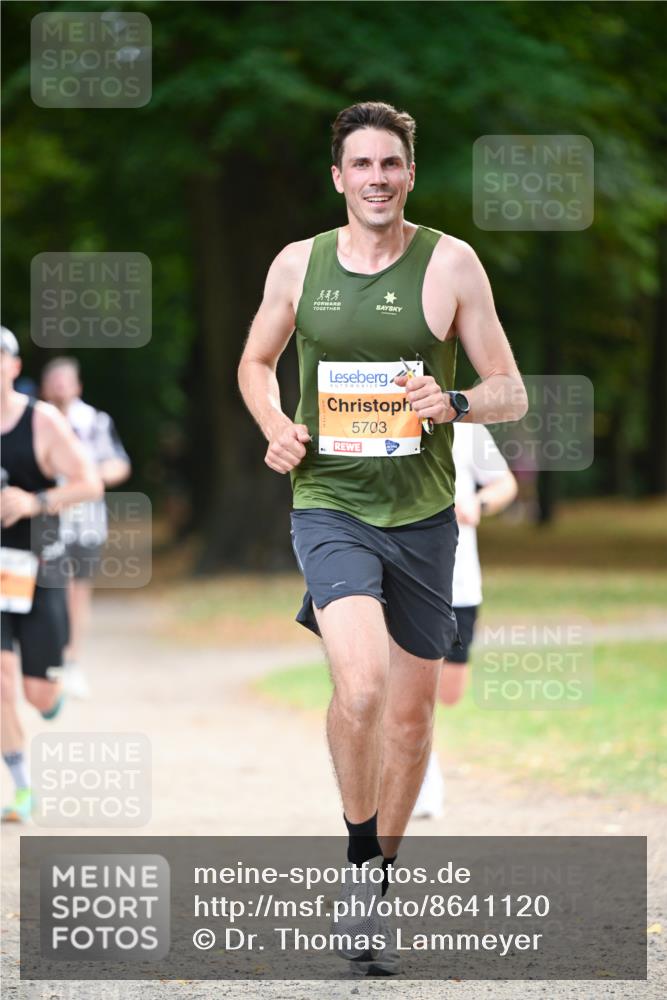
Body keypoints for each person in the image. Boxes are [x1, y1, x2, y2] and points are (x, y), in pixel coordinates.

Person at [237, 101, 528, 974]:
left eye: (389, 164)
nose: (375, 178)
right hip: (329, 502)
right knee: (360, 688)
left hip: (425, 516)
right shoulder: (298, 264)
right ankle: (358, 850)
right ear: (338, 178)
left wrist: (457, 401)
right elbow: (255, 362)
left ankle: (375, 884)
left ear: (409, 174)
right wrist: (275, 426)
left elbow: (509, 389)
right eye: (360, 164)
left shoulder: (451, 264)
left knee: (408, 718)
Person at [0, 327, 102, 822]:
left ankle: (51, 695)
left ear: (14, 366)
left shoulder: (40, 421)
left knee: (37, 694)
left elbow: (89, 484)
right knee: (0, 680)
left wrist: (34, 501)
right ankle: (21, 787)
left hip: (39, 567)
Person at [412, 422, 518, 819]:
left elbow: (505, 483)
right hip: (404, 580)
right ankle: (420, 774)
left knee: (448, 691)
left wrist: (478, 503)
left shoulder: (467, 428)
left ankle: (416, 753)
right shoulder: (378, 418)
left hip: (459, 584)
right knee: (407, 685)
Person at [40, 356, 131, 699]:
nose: (60, 387)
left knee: (78, 593)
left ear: (77, 386)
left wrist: (90, 480)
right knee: (54, 592)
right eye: (54, 381)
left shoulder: (94, 422)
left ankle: (72, 661)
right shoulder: (36, 420)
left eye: (65, 381)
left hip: (86, 522)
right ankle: (51, 659)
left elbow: (118, 463)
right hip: (47, 522)